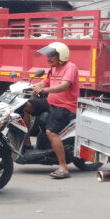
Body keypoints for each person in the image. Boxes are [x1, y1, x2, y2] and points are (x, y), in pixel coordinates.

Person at [23, 42, 80, 179]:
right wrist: (28, 86)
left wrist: (44, 90)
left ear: (61, 55)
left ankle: (63, 167)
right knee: (25, 106)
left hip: (65, 106)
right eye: (48, 55)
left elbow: (64, 86)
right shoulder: (53, 68)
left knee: (51, 132)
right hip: (51, 102)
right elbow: (45, 82)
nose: (48, 58)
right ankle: (27, 143)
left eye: (51, 55)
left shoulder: (70, 68)